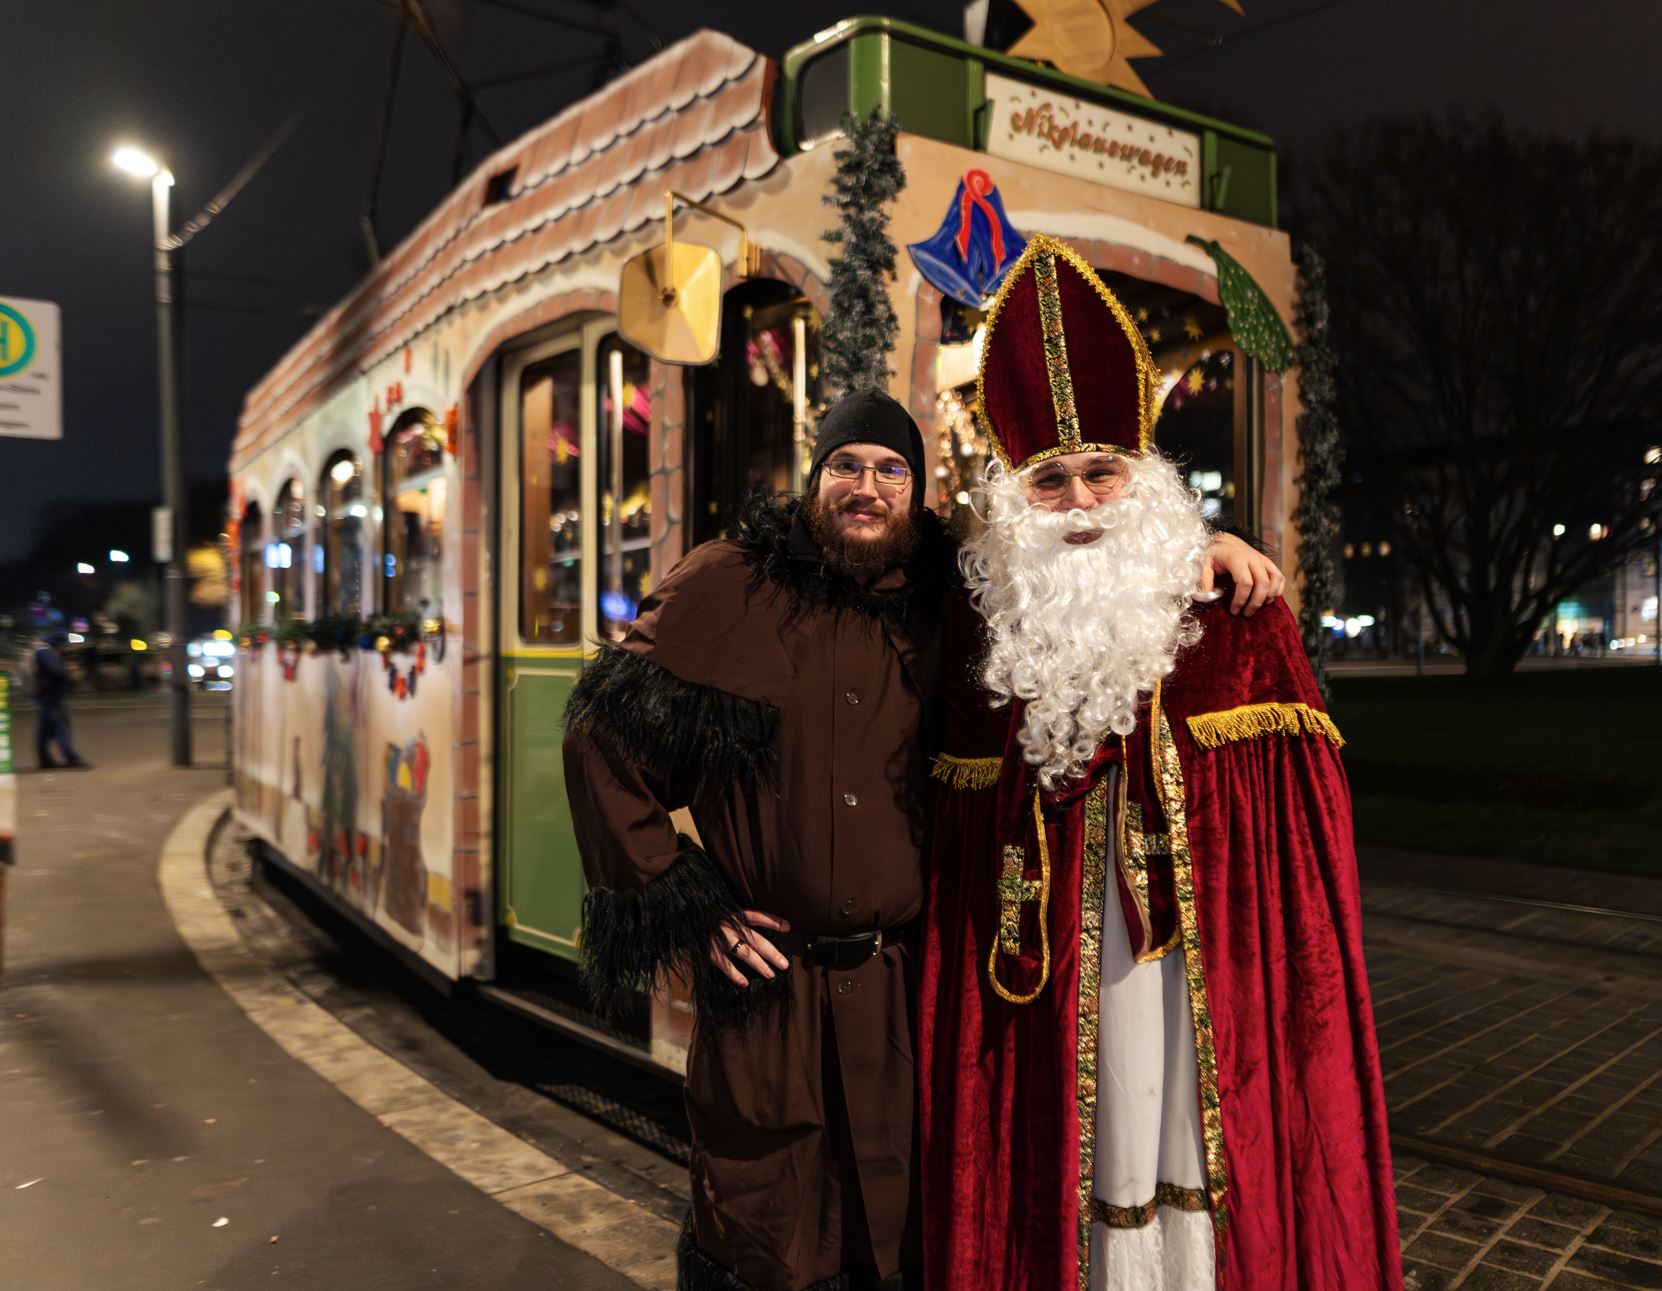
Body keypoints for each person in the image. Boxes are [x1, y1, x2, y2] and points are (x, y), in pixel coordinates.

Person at [562, 382, 1283, 1291]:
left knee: (896, 1234)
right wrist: (683, 897)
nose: (867, 486)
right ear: (814, 479)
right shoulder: (728, 582)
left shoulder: (950, 596)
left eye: (891, 469)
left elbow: (1084, 575)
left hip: (901, 988)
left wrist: (1203, 546)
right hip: (772, 995)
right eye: (847, 466)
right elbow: (601, 736)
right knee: (766, 1233)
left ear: (917, 489)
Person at [917, 235, 1402, 1289]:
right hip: (1037, 987)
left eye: (1103, 472)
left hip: (1195, 982)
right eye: (1051, 481)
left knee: (1175, 1131)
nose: (1084, 502)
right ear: (1010, 495)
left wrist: (1215, 547)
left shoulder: (1232, 619)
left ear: (1145, 482)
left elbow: (1303, 869)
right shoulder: (977, 630)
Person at [33, 634, 87, 770]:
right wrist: (67, 671)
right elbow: (56, 671)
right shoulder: (48, 654)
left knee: (45, 732)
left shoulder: (46, 654)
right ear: (59, 644)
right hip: (52, 699)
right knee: (62, 728)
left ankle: (44, 760)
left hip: (47, 698)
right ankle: (72, 759)